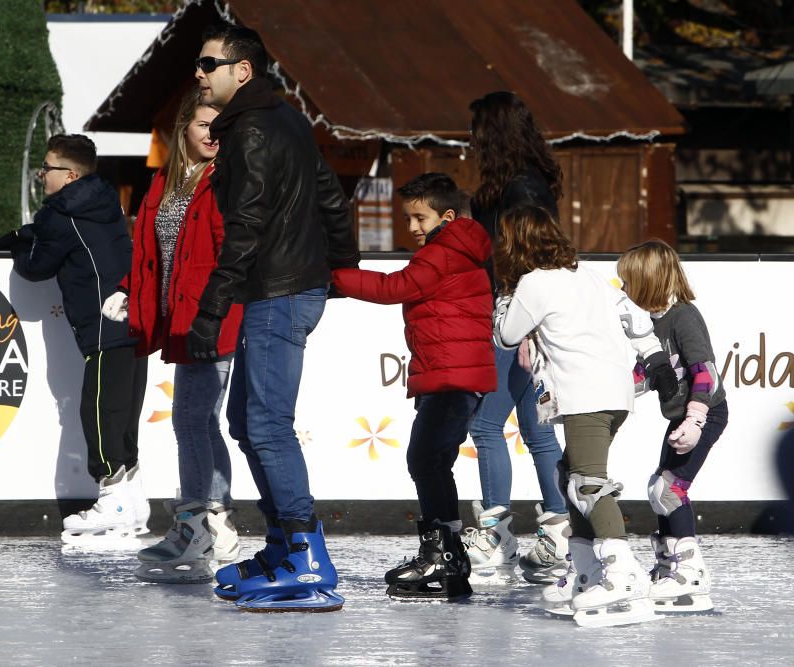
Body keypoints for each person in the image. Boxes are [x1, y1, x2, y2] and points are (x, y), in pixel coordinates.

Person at [187, 25, 359, 612]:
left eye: (210, 63)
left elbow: (248, 223)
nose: (199, 72)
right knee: (245, 419)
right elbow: (330, 196)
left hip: (277, 291)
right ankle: (286, 545)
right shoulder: (285, 121)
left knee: (265, 425)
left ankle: (308, 557)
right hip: (291, 287)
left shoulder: (253, 128)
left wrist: (213, 308)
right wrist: (337, 265)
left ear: (244, 71)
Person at [493, 205, 676, 627]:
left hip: (585, 395)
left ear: (516, 243)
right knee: (569, 476)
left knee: (588, 483)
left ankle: (621, 573)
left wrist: (505, 294)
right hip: (614, 394)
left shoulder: (532, 283)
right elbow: (633, 315)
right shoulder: (588, 275)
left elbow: (505, 335)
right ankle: (586, 570)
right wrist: (655, 361)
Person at [103, 90, 244, 583]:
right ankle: (218, 521)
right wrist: (128, 289)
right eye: (203, 124)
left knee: (189, 420)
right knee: (202, 422)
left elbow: (232, 254)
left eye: (219, 126)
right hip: (178, 316)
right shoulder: (166, 181)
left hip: (212, 317)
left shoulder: (226, 181)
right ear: (183, 128)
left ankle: (196, 524)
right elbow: (152, 251)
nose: (211, 134)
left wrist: (217, 310)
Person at [332, 174, 494, 600]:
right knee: (434, 461)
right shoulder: (457, 249)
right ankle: (450, 554)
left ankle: (443, 553)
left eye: (420, 217)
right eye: (409, 218)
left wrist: (336, 277)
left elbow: (394, 288)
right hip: (453, 375)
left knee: (424, 459)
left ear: (447, 216)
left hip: (451, 377)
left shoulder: (443, 252)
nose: (414, 227)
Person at [0, 134, 149, 547]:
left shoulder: (61, 214)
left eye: (48, 168)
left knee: (98, 415)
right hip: (133, 322)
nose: (42, 176)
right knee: (121, 415)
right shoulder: (108, 203)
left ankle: (113, 503)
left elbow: (36, 268)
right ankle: (132, 503)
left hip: (103, 325)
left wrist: (19, 244)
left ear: (70, 174)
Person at [463, 91, 569, 585]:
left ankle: (497, 533)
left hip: (514, 321)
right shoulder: (520, 184)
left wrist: (525, 328)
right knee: (538, 431)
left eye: (476, 132)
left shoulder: (520, 190)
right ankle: (558, 531)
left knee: (487, 427)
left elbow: (534, 255)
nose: (470, 142)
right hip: (518, 317)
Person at [617, 239, 727, 613]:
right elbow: (646, 375)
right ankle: (669, 565)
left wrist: (696, 417)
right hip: (683, 415)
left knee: (670, 490)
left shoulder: (683, 316)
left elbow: (705, 372)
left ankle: (689, 573)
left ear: (648, 280)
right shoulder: (651, 322)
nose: (624, 291)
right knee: (658, 488)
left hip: (706, 412)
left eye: (628, 282)